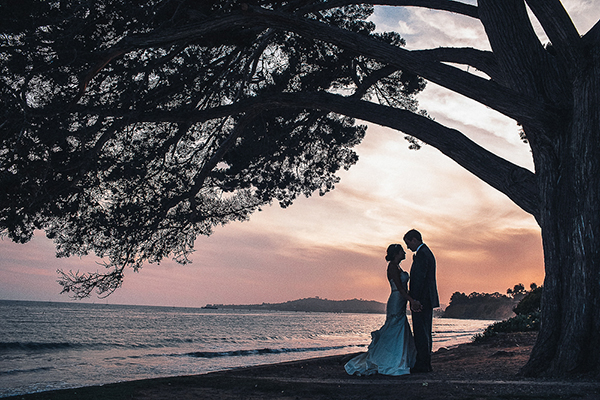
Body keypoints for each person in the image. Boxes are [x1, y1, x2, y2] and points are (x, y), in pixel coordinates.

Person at [344, 244, 418, 376]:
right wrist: (411, 300)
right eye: (402, 251)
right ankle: (389, 359)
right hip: (396, 299)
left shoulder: (398, 267)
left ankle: (400, 357)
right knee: (394, 328)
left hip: (401, 300)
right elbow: (400, 289)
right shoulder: (392, 267)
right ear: (396, 254)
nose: (404, 253)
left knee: (399, 328)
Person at [403, 229, 439, 373]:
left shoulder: (422, 254)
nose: (407, 247)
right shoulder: (426, 252)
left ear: (414, 240)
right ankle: (425, 363)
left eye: (408, 243)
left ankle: (423, 364)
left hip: (422, 299)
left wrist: (414, 300)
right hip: (427, 298)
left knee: (420, 332)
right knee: (425, 331)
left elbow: (419, 279)